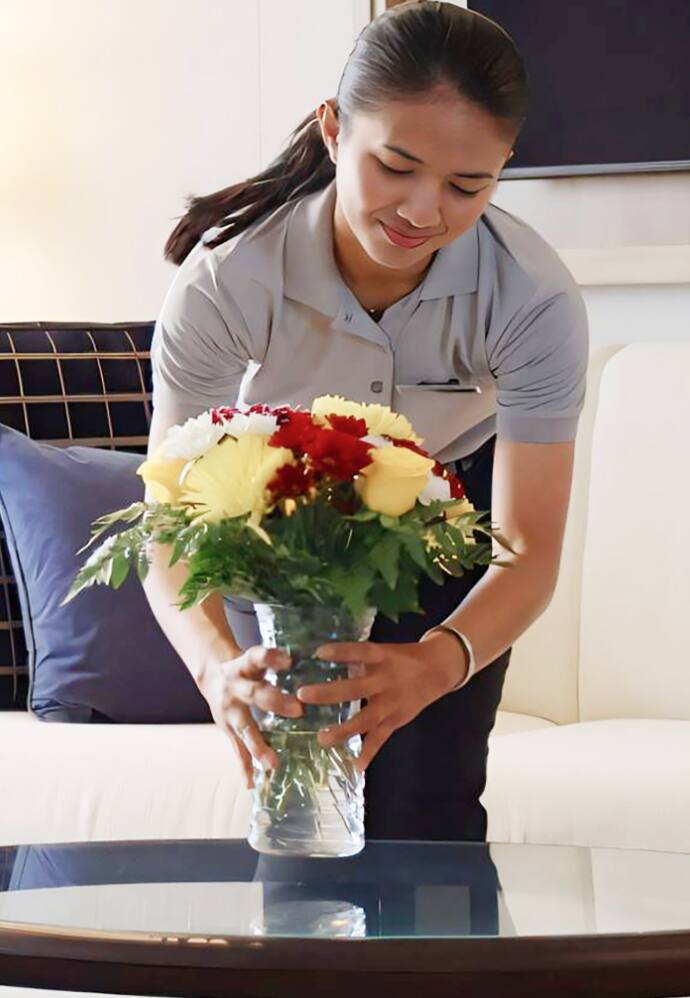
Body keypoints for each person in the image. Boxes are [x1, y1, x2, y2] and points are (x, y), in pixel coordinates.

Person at [142, 0, 588, 844]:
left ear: (504, 169)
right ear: (334, 129)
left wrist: (438, 661)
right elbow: (168, 514)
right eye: (397, 166)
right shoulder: (227, 280)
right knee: (297, 788)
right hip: (278, 507)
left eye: (468, 186)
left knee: (431, 801)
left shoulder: (533, 298)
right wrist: (212, 670)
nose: (424, 212)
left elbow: (529, 551)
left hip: (452, 504)